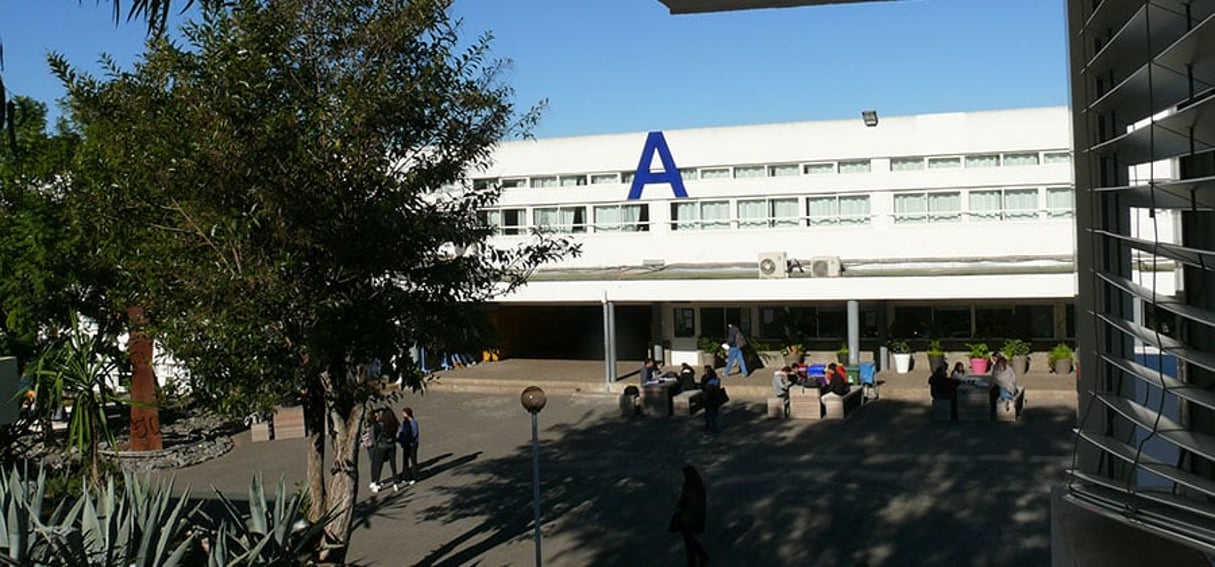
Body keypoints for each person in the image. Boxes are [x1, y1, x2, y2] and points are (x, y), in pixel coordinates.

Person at [668, 464, 709, 566]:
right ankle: (701, 555)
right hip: (687, 517)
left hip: (691, 517)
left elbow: (694, 503)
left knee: (688, 539)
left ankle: (693, 562)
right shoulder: (691, 484)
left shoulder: (694, 486)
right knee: (689, 538)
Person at [367, 407, 400, 493]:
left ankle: (376, 482)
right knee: (393, 464)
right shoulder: (394, 423)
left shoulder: (379, 425)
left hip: (381, 447)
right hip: (392, 446)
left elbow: (374, 436)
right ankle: (395, 482)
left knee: (378, 465)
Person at [398, 407, 420, 485]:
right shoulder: (405, 422)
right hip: (406, 444)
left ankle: (414, 477)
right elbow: (401, 431)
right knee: (405, 461)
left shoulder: (413, 422)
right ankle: (405, 476)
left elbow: (414, 433)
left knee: (413, 461)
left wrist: (408, 440)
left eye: (404, 413)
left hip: (412, 444)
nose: (402, 414)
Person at [702, 366, 726, 434]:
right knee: (714, 414)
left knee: (708, 413)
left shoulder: (705, 378)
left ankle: (708, 427)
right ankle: (714, 427)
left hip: (708, 398)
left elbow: (703, 387)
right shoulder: (717, 379)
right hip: (715, 398)